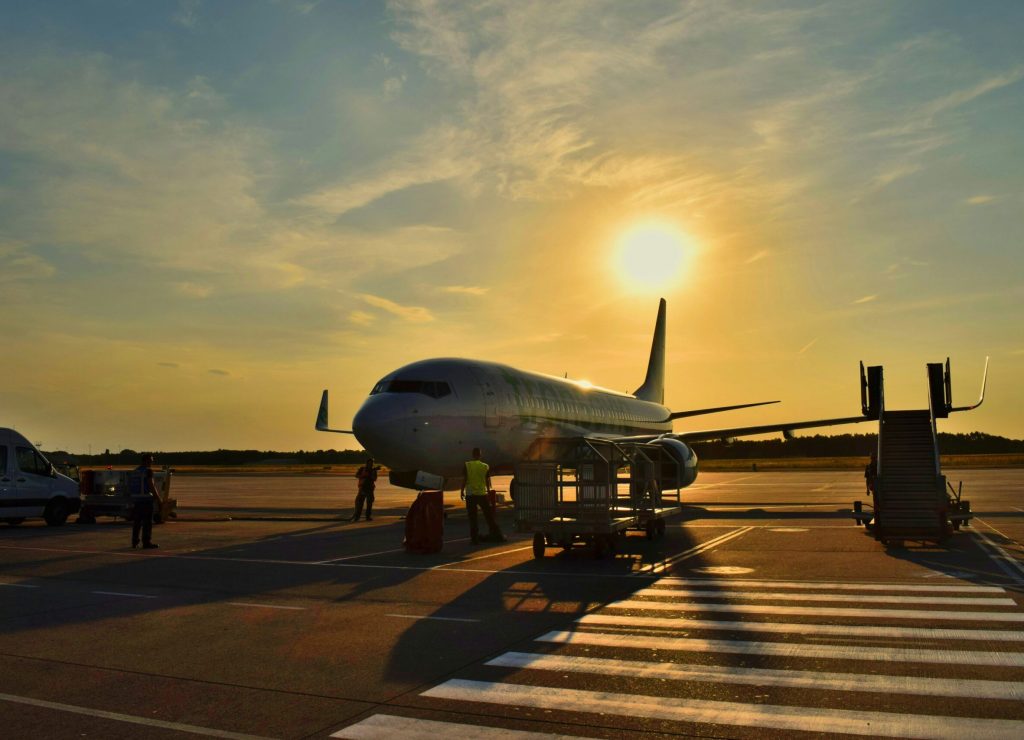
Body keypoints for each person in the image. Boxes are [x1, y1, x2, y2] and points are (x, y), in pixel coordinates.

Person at [461, 447, 505, 544]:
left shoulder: (467, 465)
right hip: (481, 494)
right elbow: (487, 481)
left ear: (472, 455)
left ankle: (474, 539)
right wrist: (489, 492)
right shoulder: (485, 466)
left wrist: (461, 491)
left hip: (470, 494)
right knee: (489, 516)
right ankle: (497, 534)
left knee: (473, 518)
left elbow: (464, 480)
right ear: (480, 455)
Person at [131, 453, 159, 549]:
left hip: (137, 500)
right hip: (146, 500)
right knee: (147, 523)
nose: (151, 462)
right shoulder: (148, 471)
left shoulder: (135, 471)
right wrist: (158, 498)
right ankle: (146, 542)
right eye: (150, 461)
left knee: (137, 522)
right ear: (146, 461)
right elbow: (151, 486)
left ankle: (134, 541)